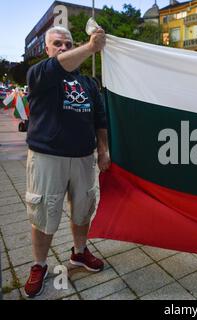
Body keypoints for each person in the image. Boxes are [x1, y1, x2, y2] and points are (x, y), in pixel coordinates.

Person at [24, 26, 110, 298]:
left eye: (67, 43)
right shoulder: (39, 74)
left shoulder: (88, 83)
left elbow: (99, 117)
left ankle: (80, 253)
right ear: (47, 49)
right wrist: (90, 47)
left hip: (83, 158)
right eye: (57, 44)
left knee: (83, 207)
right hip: (48, 157)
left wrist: (103, 149)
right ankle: (39, 264)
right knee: (44, 213)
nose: (63, 47)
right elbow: (59, 66)